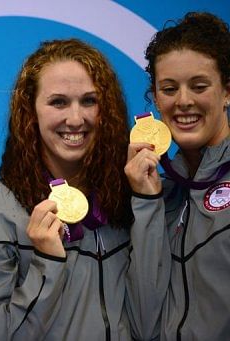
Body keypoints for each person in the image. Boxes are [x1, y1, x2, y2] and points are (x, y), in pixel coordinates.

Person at [0, 39, 133, 340]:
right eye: (58, 102)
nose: (76, 119)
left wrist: (149, 203)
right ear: (30, 111)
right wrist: (47, 265)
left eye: (89, 100)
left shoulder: (126, 196)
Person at [125, 12, 230, 340]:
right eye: (169, 88)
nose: (183, 101)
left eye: (199, 86)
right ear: (156, 98)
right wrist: (146, 202)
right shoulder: (162, 192)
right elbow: (143, 324)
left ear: (227, 91)